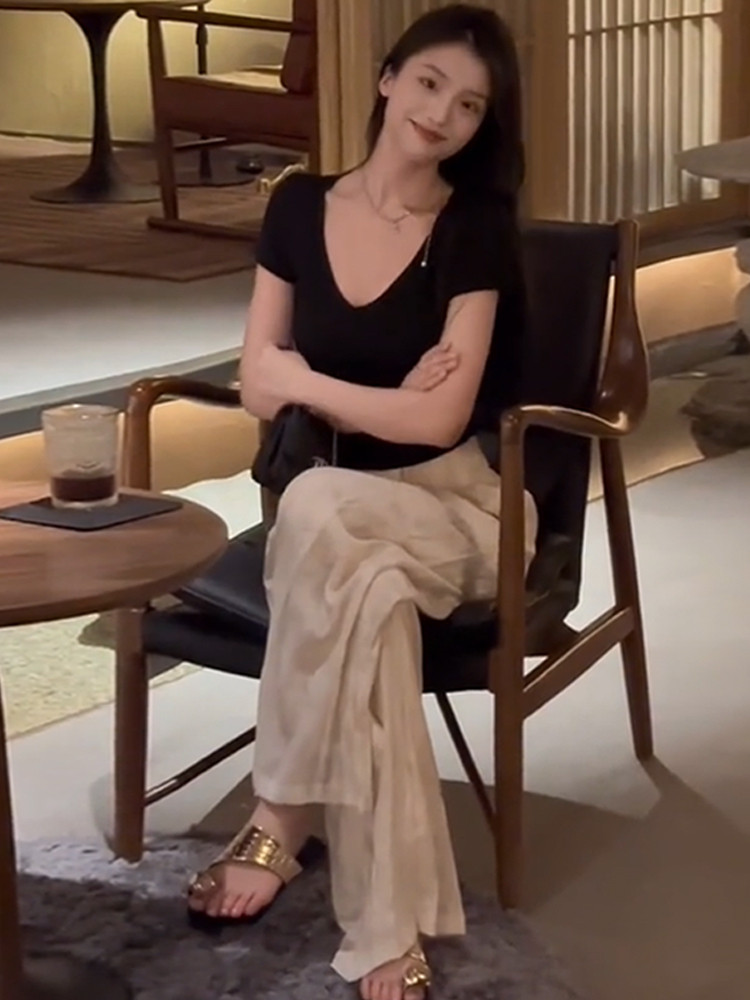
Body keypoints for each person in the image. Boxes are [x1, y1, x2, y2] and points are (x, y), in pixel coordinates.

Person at [186, 4, 538, 998]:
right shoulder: (298, 206)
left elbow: (438, 422)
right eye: (429, 83)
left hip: (460, 509)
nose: (442, 113)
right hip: (344, 522)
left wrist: (308, 379)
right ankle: (389, 924)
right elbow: (256, 383)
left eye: (469, 105)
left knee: (314, 511)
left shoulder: (472, 228)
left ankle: (279, 812)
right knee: (369, 596)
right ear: (388, 79)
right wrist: (362, 394)